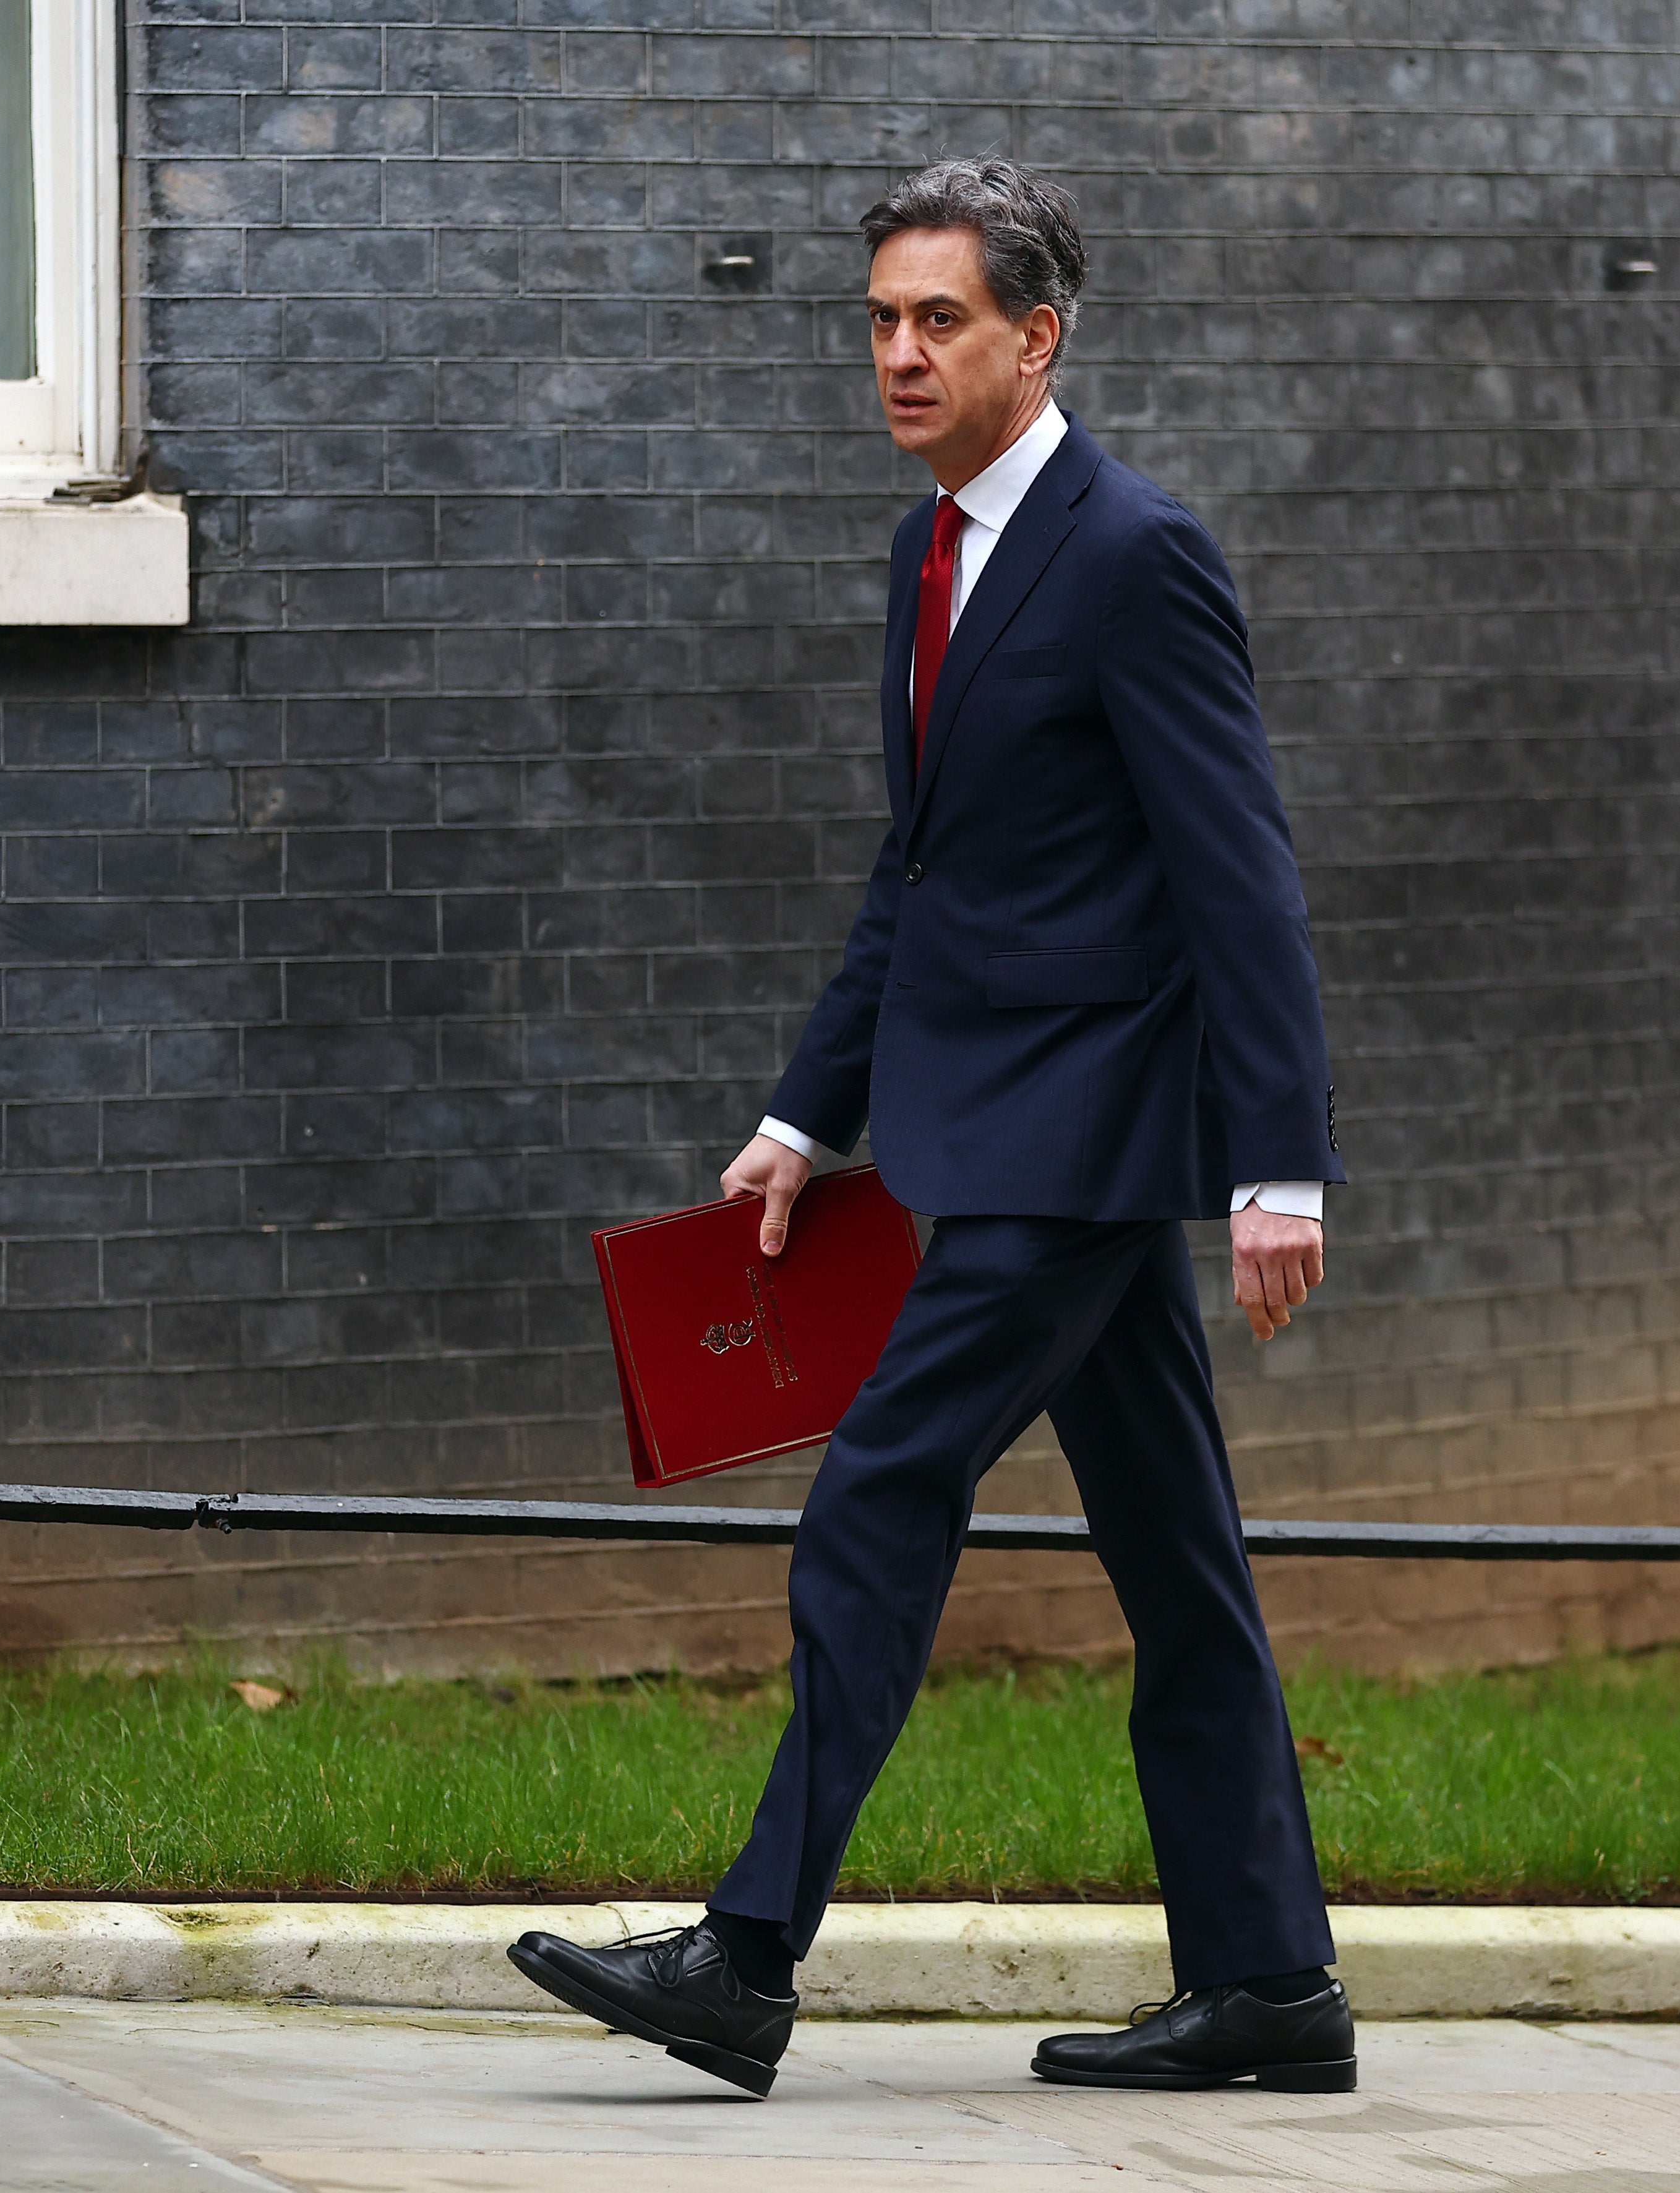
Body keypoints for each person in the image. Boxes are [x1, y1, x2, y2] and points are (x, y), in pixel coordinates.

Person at [510, 157, 1351, 2100]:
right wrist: (804, 1113)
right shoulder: (930, 552)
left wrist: (1279, 1165)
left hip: (1077, 1144)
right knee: (1182, 1561)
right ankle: (1270, 1980)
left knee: (879, 1493)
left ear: (1037, 337)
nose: (899, 351)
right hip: (1004, 1129)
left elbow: (1242, 879)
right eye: (881, 318)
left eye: (939, 319)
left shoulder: (1137, 553)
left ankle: (745, 1952)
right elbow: (925, 875)